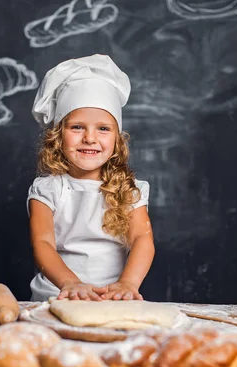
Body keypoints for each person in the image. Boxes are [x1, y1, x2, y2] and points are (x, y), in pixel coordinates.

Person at [27, 54, 155, 302]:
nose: (90, 138)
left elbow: (142, 239)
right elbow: (42, 243)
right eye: (77, 127)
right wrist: (71, 283)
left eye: (103, 128)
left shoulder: (127, 189)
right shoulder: (48, 190)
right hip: (57, 295)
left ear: (117, 139)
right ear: (58, 136)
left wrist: (128, 283)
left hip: (113, 298)